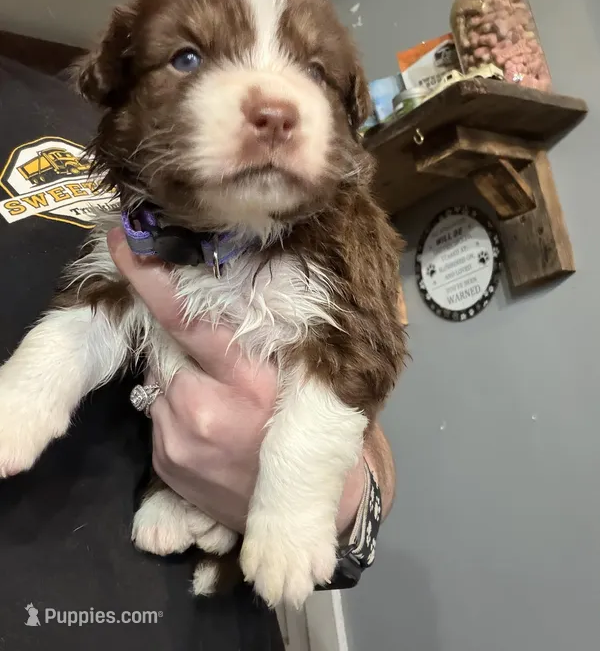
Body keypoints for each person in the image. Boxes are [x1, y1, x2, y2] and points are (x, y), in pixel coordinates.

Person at [0, 56, 395, 650]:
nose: (269, 108)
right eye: (187, 59)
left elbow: (357, 393)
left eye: (312, 69)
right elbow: (100, 309)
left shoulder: (79, 105)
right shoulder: (129, 140)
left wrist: (335, 501)